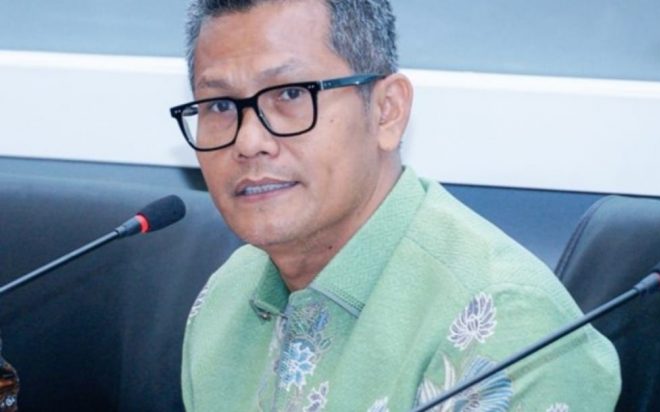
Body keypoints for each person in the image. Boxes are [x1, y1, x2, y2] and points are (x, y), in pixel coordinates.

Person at [171, 0, 621, 410]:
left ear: (387, 111)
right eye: (220, 105)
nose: (249, 141)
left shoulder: (506, 323)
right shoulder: (225, 298)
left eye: (290, 94)